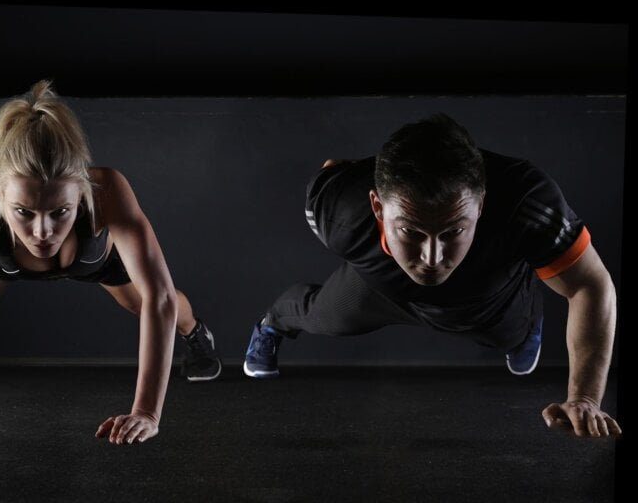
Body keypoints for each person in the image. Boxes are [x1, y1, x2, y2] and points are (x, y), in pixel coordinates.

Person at [243, 113, 621, 438]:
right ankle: (271, 324)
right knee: (321, 317)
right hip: (380, 289)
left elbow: (589, 284)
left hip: (485, 301)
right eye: (411, 231)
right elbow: (332, 171)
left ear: (482, 204)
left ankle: (524, 320)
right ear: (377, 206)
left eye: (453, 231)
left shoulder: (526, 201)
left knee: (512, 336)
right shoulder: (339, 209)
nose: (432, 257)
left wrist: (585, 398)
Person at [0, 80, 222, 445]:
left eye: (60, 211)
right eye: (24, 211)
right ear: (0, 193)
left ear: (81, 190)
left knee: (143, 302)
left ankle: (194, 334)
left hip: (92, 259)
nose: (43, 232)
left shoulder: (107, 191)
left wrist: (146, 411)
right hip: (5, 254)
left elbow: (160, 296)